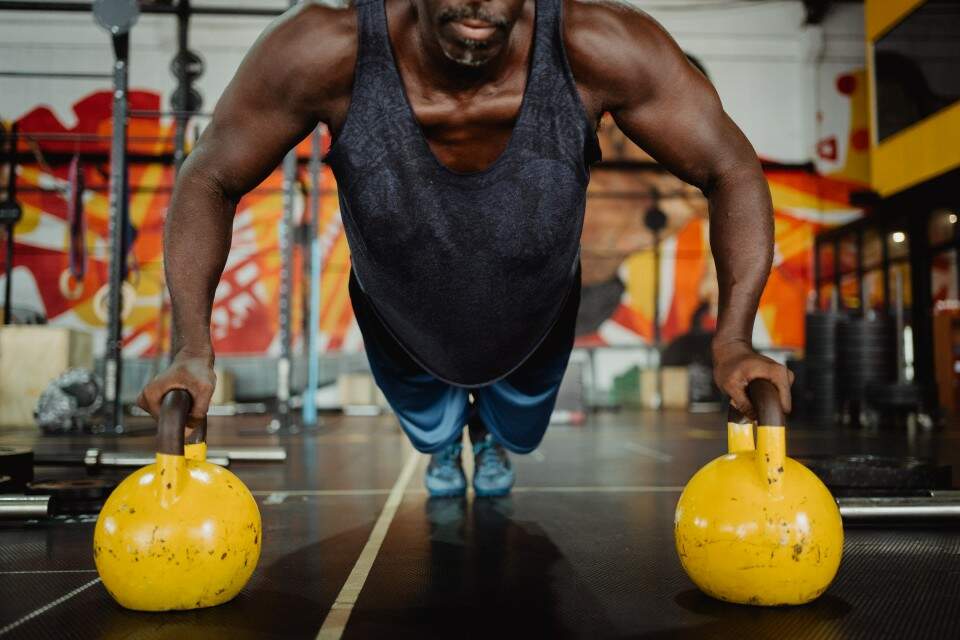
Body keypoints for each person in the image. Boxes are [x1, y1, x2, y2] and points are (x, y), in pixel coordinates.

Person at [138, 0, 793, 498]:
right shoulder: (326, 50)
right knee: (430, 425)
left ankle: (489, 436)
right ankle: (449, 440)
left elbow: (730, 167)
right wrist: (192, 346)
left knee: (516, 428)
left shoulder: (597, 46)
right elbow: (211, 176)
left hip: (536, 312)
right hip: (400, 314)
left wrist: (734, 337)